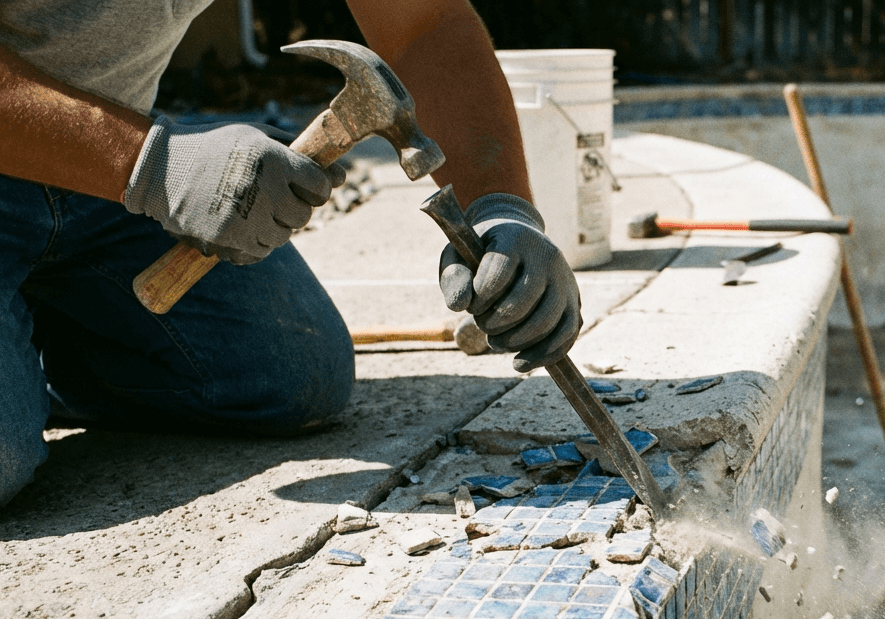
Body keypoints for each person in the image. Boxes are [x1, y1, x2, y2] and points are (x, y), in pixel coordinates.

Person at [0, 0, 582, 506]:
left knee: (291, 372)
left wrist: (501, 205)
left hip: (102, 167)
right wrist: (150, 164)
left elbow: (423, 25)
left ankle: (40, 341)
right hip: (105, 153)